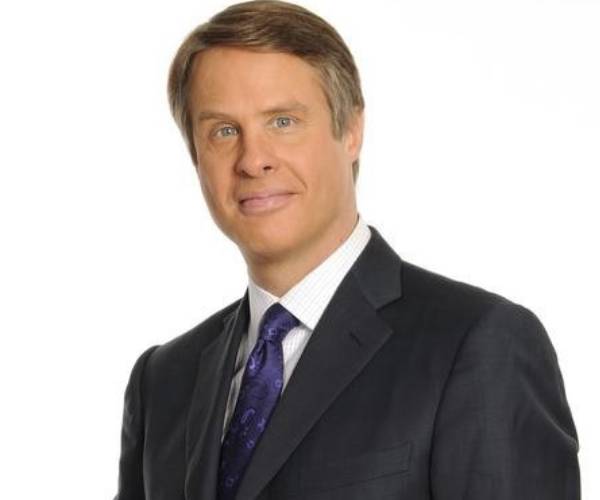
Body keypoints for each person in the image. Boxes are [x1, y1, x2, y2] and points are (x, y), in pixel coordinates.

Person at [114, 1, 580, 499]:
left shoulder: (477, 345)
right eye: (223, 131)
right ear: (195, 156)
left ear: (352, 131)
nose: (253, 160)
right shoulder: (163, 381)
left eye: (283, 121)